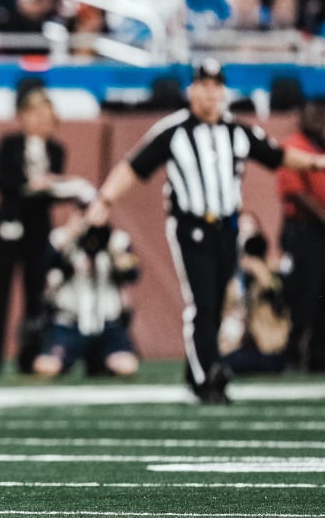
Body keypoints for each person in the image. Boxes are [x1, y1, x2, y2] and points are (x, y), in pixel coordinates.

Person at [86, 58, 325, 403]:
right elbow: (134, 167)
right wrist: (104, 200)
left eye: (216, 87)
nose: (211, 94)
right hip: (190, 225)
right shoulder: (174, 131)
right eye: (204, 86)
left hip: (226, 227)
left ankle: (197, 369)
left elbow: (278, 156)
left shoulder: (237, 132)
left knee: (214, 300)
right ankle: (207, 375)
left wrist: (318, 162)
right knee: (203, 302)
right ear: (192, 90)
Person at [0, 85, 66, 376]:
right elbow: (2, 181)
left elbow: (54, 191)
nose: (41, 120)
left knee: (36, 295)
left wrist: (59, 186)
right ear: (23, 116)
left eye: (46, 114)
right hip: (9, 225)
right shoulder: (10, 143)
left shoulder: (56, 149)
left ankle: (30, 357)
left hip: (38, 228)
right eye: (35, 113)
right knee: (0, 293)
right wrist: (31, 185)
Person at [34, 204, 140, 378]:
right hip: (69, 323)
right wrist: (69, 238)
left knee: (126, 366)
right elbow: (41, 271)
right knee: (47, 366)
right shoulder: (60, 238)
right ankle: (71, 358)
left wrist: (113, 250)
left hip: (107, 324)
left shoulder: (118, 240)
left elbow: (133, 274)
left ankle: (100, 360)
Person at [276, 99, 325, 372]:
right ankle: (292, 354)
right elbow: (296, 192)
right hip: (305, 230)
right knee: (304, 293)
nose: (317, 118)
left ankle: (318, 357)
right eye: (312, 113)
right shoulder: (294, 147)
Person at [219, 212, 290, 374]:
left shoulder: (270, 270)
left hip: (268, 345)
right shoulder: (231, 279)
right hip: (237, 344)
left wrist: (258, 269)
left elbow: (274, 293)